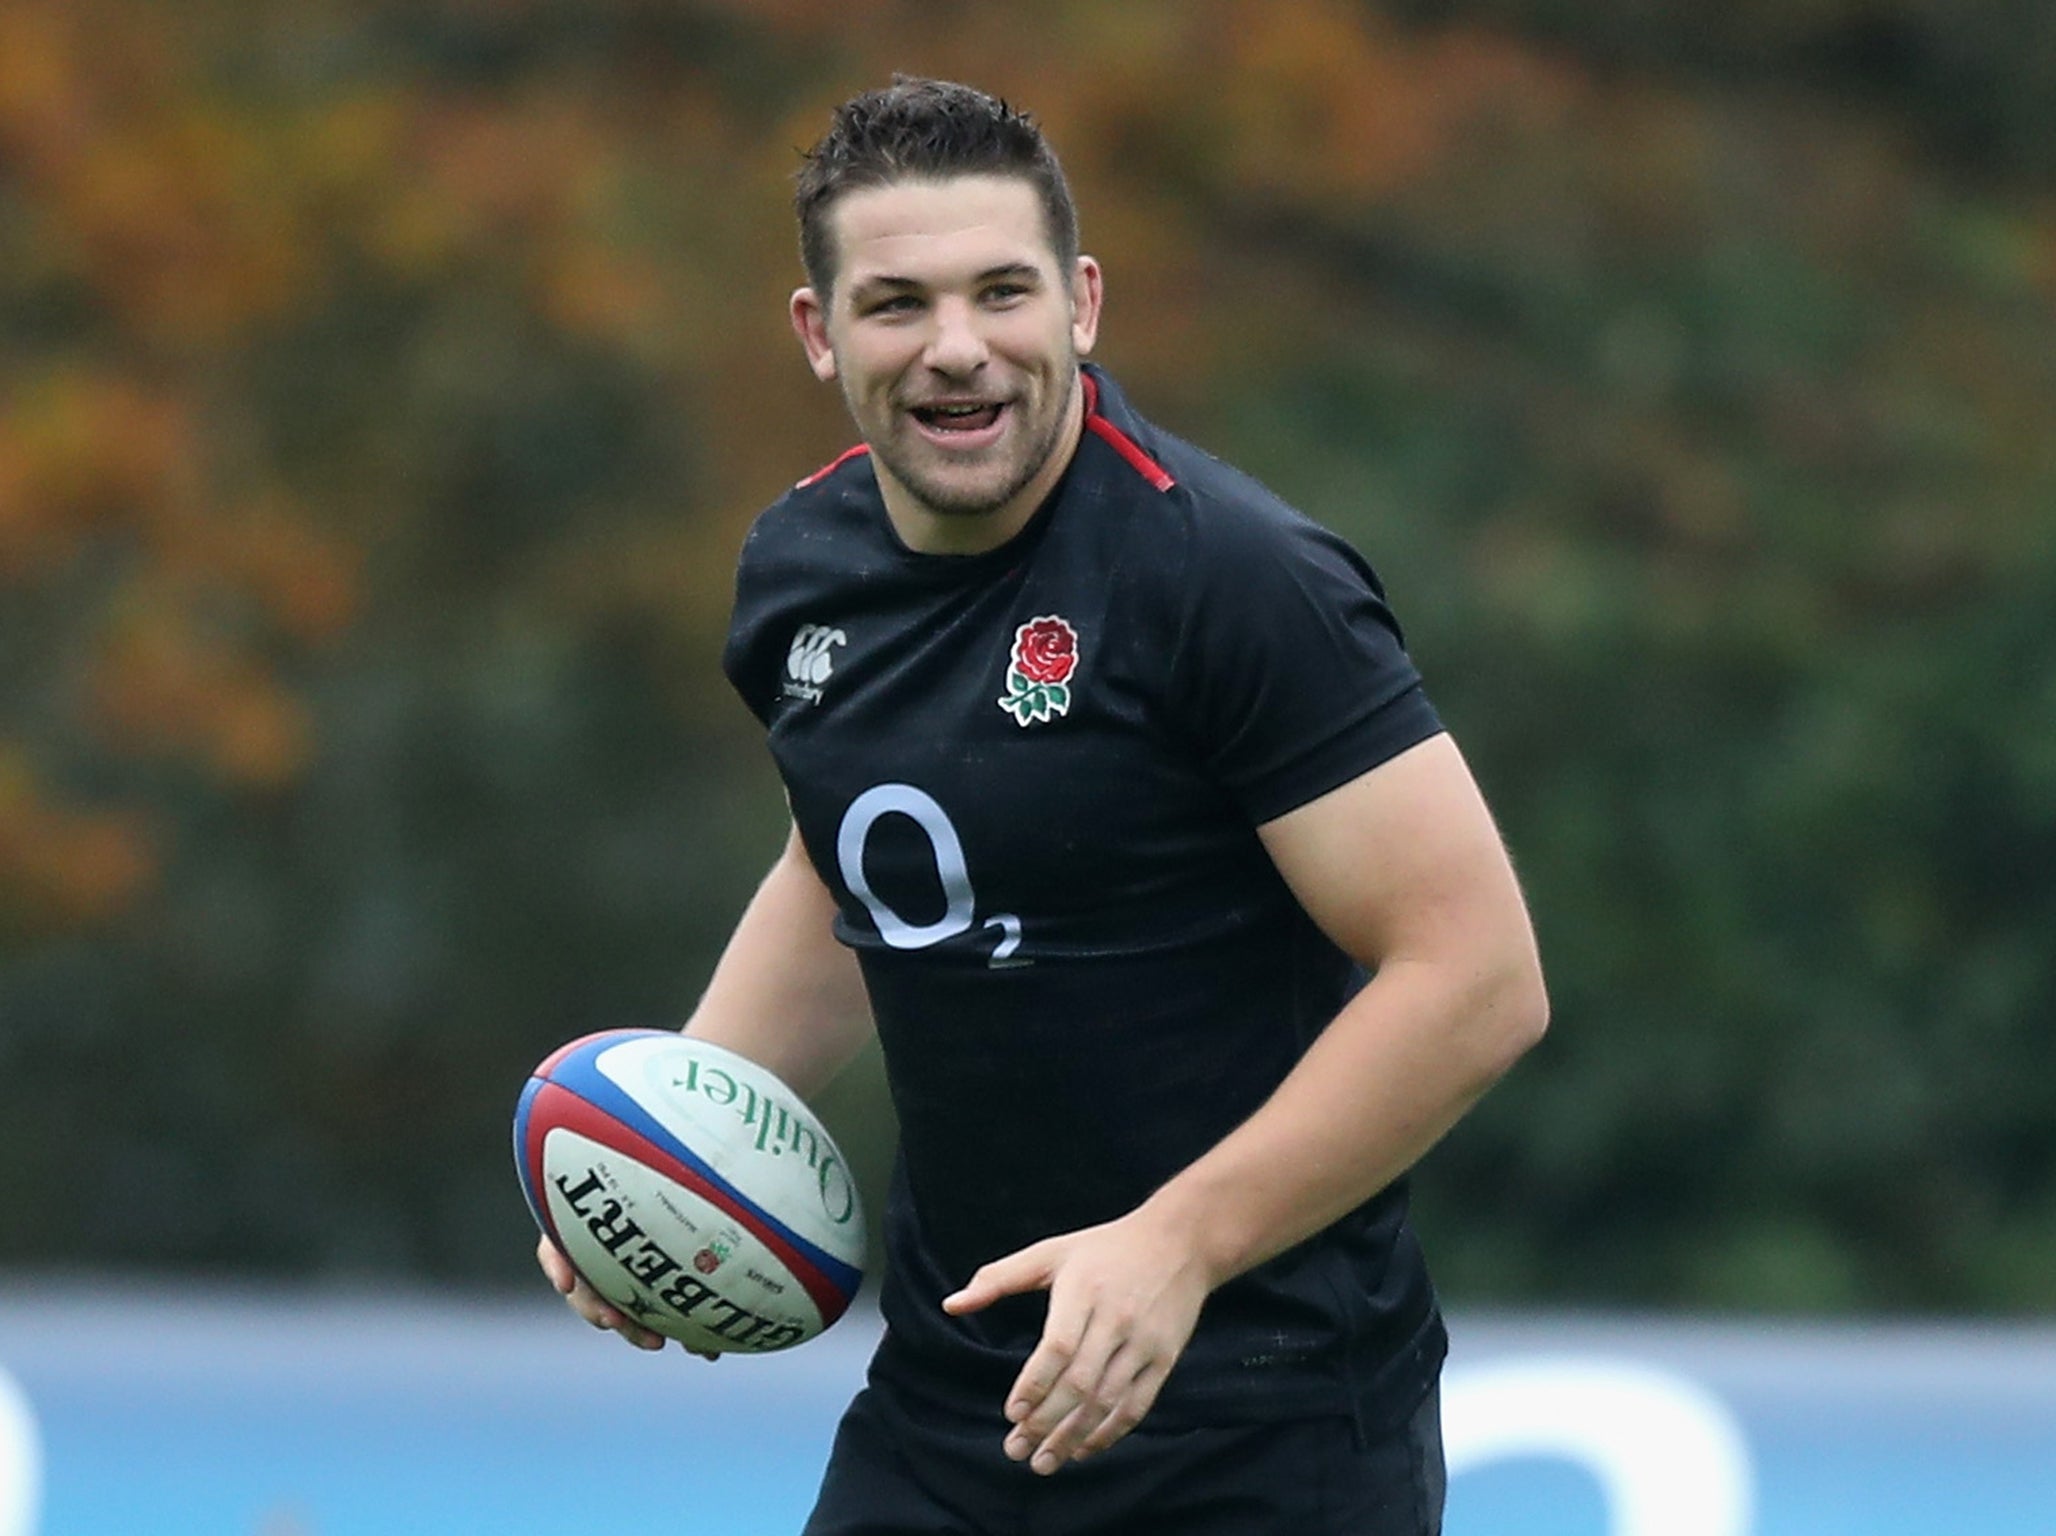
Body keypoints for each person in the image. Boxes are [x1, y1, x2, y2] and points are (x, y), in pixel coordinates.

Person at [538, 76, 1548, 1535]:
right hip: (954, 1402)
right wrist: (671, 1139)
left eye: (1000, 293)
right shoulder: (799, 568)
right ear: (821, 337)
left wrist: (1176, 1248)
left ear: (1080, 303)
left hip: (1256, 1412)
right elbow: (847, 867)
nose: (958, 350)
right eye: (896, 305)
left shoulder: (1231, 578)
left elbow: (1475, 978)